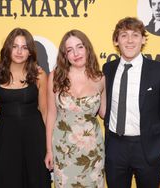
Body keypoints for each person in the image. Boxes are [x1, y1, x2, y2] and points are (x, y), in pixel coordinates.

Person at [103, 17, 160, 188]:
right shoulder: (107, 69)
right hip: (115, 147)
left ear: (143, 39)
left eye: (135, 35)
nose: (130, 40)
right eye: (124, 35)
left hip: (148, 148)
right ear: (116, 41)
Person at [44, 29, 106, 187]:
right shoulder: (55, 76)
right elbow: (51, 115)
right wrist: (49, 150)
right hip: (63, 149)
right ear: (65, 55)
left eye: (80, 47)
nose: (76, 53)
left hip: (92, 152)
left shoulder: (100, 78)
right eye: (69, 50)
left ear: (87, 48)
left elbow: (105, 113)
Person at [0, 28, 51, 188]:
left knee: (35, 180)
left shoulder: (39, 75)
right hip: (6, 138)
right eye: (15, 46)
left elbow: (45, 112)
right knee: (7, 179)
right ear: (8, 48)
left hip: (34, 138)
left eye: (24, 47)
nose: (19, 51)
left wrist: (49, 147)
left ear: (30, 52)